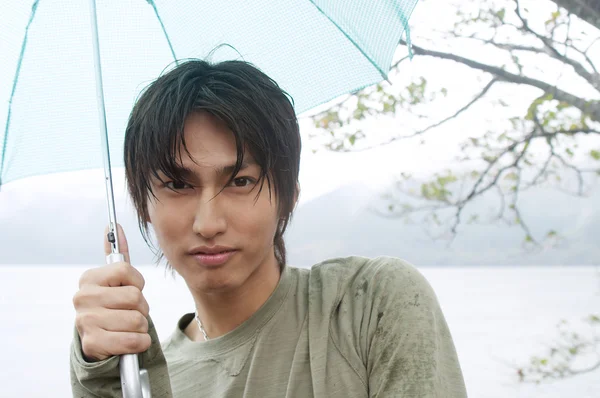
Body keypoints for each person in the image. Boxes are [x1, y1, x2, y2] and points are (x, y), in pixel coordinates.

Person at [70, 60, 467, 397]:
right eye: (177, 185)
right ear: (143, 206)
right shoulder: (135, 376)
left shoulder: (366, 307)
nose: (208, 224)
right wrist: (98, 376)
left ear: (288, 196)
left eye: (241, 181)